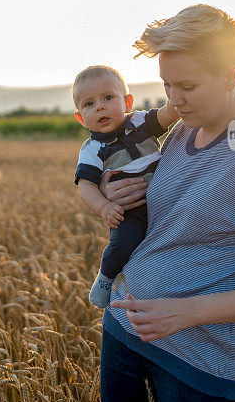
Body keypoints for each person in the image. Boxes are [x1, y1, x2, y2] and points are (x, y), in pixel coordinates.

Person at [99, 4, 235, 401]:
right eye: (166, 85)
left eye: (187, 86)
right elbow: (175, 216)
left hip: (201, 362)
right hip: (125, 328)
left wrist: (186, 313)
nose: (173, 100)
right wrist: (116, 196)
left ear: (231, 75)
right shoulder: (184, 128)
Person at [71, 65, 179, 308]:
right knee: (124, 243)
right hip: (130, 211)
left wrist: (176, 103)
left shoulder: (140, 122)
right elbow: (86, 185)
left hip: (165, 200)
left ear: (128, 103)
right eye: (89, 104)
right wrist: (104, 207)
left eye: (107, 98)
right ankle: (106, 278)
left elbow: (166, 116)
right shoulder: (92, 150)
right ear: (80, 118)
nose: (99, 107)